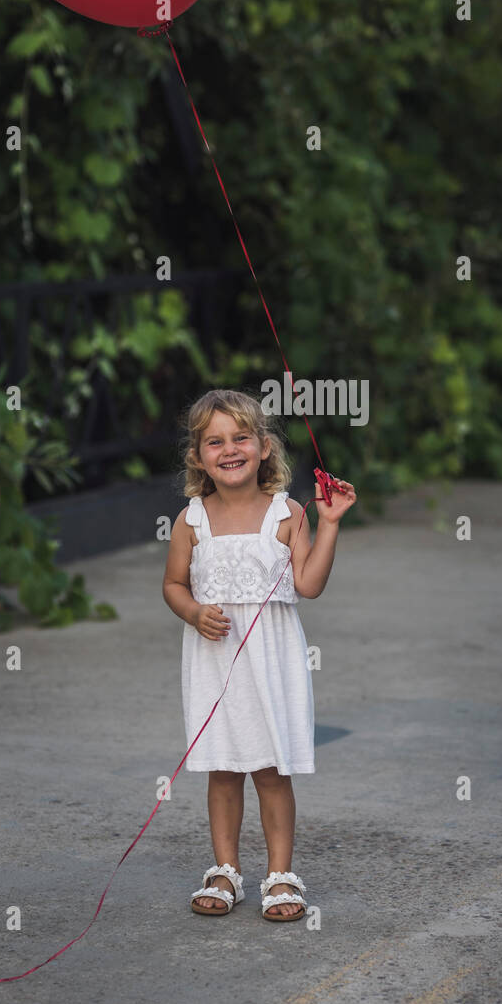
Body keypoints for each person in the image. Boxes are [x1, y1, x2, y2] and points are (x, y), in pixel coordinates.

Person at [162, 388, 356, 921]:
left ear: (264, 446)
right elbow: (174, 584)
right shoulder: (191, 520)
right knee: (223, 768)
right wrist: (194, 612)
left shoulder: (287, 513)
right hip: (215, 658)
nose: (229, 449)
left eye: (241, 437)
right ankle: (225, 870)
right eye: (214, 441)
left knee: (271, 770)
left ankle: (280, 876)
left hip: (271, 660)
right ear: (198, 456)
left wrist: (331, 524)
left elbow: (310, 585)